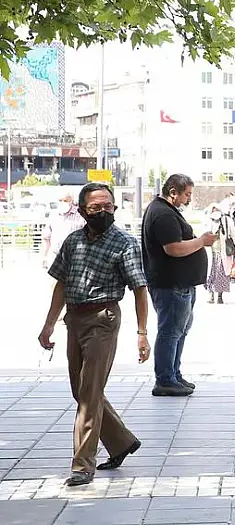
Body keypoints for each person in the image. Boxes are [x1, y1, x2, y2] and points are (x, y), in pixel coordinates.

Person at [36, 182, 149, 487]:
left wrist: (142, 333)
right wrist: (49, 323)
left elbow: (140, 288)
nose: (103, 212)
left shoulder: (125, 243)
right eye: (96, 207)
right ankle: (122, 441)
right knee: (82, 390)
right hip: (74, 318)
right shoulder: (73, 242)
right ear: (83, 210)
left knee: (89, 394)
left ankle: (82, 465)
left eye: (108, 207)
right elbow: (61, 283)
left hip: (103, 318)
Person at [142, 174, 217, 397]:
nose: (189, 199)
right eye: (187, 194)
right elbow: (173, 248)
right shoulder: (163, 213)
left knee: (179, 330)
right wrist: (202, 241)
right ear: (173, 192)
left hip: (180, 284)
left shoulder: (165, 210)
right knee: (171, 331)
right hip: (171, 284)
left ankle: (173, 373)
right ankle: (165, 378)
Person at [204, 204, 235, 304]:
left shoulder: (225, 220)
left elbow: (233, 234)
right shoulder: (210, 220)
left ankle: (217, 296)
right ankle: (213, 295)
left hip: (222, 252)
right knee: (213, 274)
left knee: (219, 274)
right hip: (212, 252)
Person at [40, 193, 85, 268]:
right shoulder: (54, 215)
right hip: (55, 257)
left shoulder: (81, 215)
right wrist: (44, 256)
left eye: (65, 200)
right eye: (60, 200)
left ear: (71, 200)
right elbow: (46, 238)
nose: (62, 203)